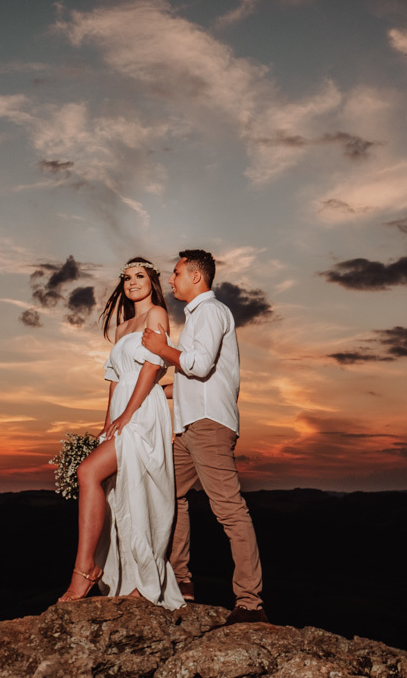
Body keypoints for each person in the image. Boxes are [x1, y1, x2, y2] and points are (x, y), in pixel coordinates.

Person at [141, 249, 267, 624]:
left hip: (209, 425)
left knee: (229, 510)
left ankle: (250, 603)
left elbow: (198, 365)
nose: (171, 279)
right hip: (190, 425)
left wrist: (160, 349)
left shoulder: (210, 311)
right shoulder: (198, 316)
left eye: (176, 273)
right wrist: (149, 390)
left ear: (196, 277)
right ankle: (181, 581)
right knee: (169, 493)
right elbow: (189, 379)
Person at [57, 257, 184, 609]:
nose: (132, 283)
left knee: (91, 474)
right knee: (119, 492)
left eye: (139, 276)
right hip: (121, 411)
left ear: (152, 281)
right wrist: (107, 422)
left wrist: (128, 414)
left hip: (143, 410)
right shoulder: (121, 327)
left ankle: (86, 571)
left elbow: (152, 364)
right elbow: (114, 381)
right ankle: (118, 574)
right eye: (127, 278)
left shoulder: (157, 313)